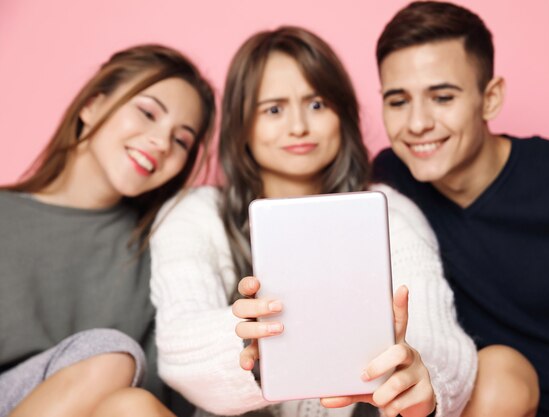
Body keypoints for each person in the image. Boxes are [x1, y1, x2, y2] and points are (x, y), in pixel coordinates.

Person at [150, 27, 477, 417]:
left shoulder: (388, 210)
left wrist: (426, 381)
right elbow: (175, 346)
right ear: (242, 126)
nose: (299, 127)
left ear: (342, 112)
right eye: (273, 109)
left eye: (317, 104)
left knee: (504, 366)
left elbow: (441, 341)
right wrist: (251, 341)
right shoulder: (197, 213)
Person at [371, 1, 549, 416]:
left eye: (442, 97)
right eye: (398, 101)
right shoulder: (389, 182)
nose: (417, 123)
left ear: (490, 99)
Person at [0, 44, 216, 417]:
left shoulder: (163, 243)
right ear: (92, 105)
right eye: (147, 113)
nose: (161, 143)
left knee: (133, 405)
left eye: (181, 140)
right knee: (111, 352)